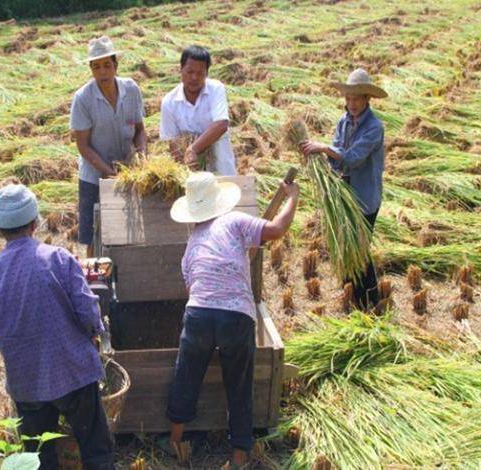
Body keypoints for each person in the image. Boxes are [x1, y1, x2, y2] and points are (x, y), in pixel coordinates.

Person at [165, 172, 299, 468]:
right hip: (236, 317)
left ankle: (175, 441)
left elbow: (194, 290)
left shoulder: (191, 245)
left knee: (186, 376)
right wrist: (292, 197)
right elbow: (276, 229)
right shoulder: (235, 222)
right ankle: (239, 455)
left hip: (199, 314)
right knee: (239, 386)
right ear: (219, 201)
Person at [0, 184, 114, 470]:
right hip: (73, 372)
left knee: (40, 458)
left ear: (0, 228)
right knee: (96, 449)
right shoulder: (57, 258)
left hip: (26, 382)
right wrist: (96, 335)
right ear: (34, 221)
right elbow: (87, 312)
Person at [300, 68, 387, 311]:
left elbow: (353, 158)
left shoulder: (374, 127)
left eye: (357, 98)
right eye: (348, 98)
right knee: (345, 245)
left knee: (359, 249)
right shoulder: (344, 121)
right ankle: (352, 297)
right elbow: (337, 157)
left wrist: (324, 148)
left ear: (368, 99)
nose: (352, 104)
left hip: (364, 197)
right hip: (343, 193)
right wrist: (318, 157)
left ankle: (371, 301)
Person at [70, 35, 147, 256]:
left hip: (128, 171)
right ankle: (93, 283)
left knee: (127, 229)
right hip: (94, 177)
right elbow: (83, 146)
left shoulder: (131, 90)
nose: (102, 72)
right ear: (91, 69)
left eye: (106, 65)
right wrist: (108, 172)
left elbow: (140, 130)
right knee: (94, 235)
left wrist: (142, 157)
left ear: (115, 65)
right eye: (96, 67)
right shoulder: (83, 98)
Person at [160, 45, 236, 175]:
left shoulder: (216, 89)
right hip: (190, 174)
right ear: (181, 70)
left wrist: (193, 150)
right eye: (190, 72)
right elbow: (173, 144)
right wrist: (184, 169)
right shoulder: (169, 102)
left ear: (207, 73)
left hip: (220, 167)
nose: (194, 77)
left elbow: (221, 124)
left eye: (200, 73)